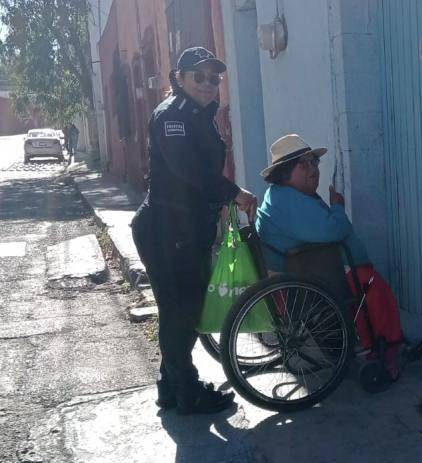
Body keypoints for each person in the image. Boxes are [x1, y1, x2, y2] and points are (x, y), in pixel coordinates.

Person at [130, 46, 258, 414]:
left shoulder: (201, 115)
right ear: (179, 79)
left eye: (213, 77)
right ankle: (187, 392)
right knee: (179, 312)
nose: (207, 83)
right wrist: (234, 193)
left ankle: (170, 386)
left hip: (186, 229)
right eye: (198, 76)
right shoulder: (172, 116)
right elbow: (189, 173)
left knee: (183, 310)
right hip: (167, 229)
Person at [255, 134, 422, 385]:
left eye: (314, 162)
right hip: (314, 274)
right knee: (371, 286)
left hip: (313, 268)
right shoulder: (288, 201)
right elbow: (332, 230)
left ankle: (392, 341)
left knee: (374, 284)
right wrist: (337, 207)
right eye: (304, 165)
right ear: (284, 173)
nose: (313, 169)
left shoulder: (286, 196)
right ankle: (382, 351)